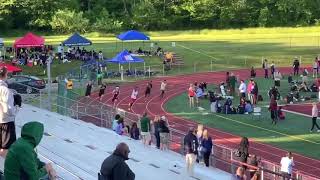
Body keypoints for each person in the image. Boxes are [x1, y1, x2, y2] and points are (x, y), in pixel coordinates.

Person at [0, 66, 18, 157]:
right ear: (6, 75)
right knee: (6, 148)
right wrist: (17, 107)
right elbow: (9, 110)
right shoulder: (5, 90)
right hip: (6, 122)